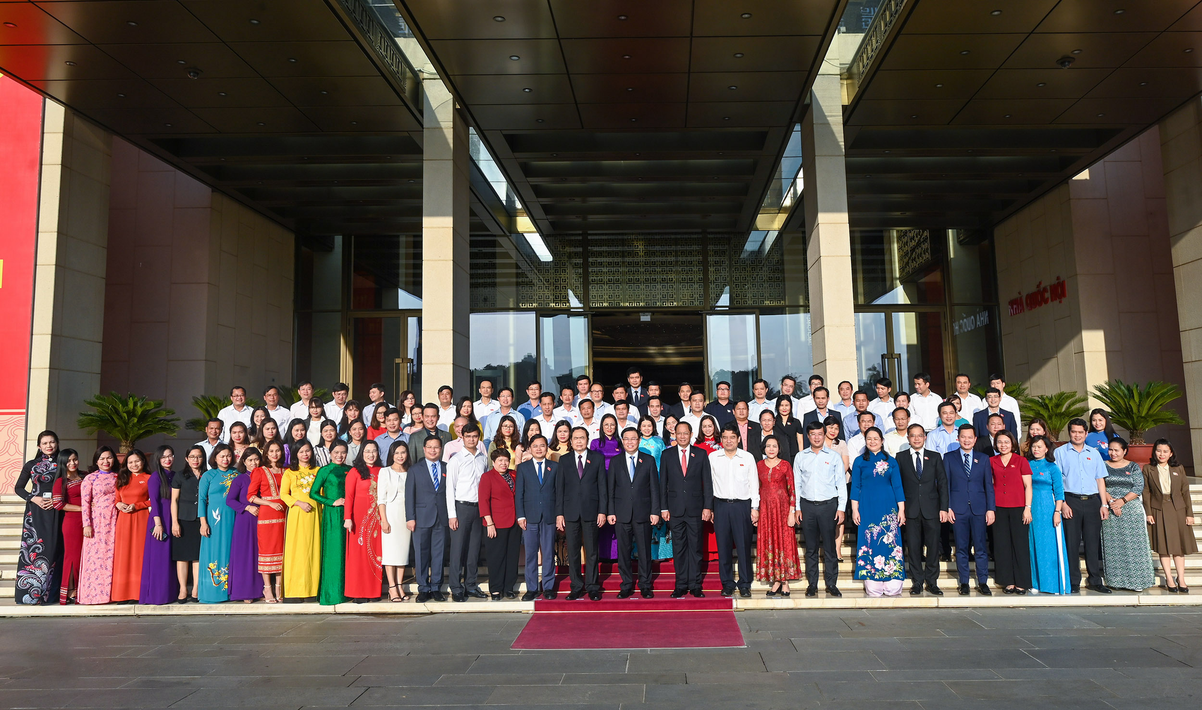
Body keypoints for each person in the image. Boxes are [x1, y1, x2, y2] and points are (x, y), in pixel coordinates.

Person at [658, 421, 713, 597]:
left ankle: (695, 584)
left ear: (691, 434)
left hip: (696, 509)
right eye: (679, 433)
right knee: (679, 548)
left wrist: (707, 507)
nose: (682, 436)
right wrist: (664, 507)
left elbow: (708, 483)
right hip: (675, 510)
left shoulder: (701, 454)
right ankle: (680, 584)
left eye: (685, 433)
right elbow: (662, 483)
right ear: (674, 434)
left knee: (695, 548)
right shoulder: (667, 455)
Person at [849, 428, 906, 597]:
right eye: (869, 439)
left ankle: (892, 580)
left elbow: (897, 486)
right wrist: (854, 509)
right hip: (866, 507)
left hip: (888, 507)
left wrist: (901, 509)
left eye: (876, 438)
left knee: (890, 542)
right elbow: (856, 487)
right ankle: (872, 580)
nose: (872, 441)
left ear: (882, 440)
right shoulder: (859, 461)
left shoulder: (891, 461)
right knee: (870, 540)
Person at [795, 422, 846, 597]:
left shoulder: (833, 456)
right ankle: (812, 584)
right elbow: (797, 484)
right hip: (808, 506)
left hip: (828, 506)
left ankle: (832, 584)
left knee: (830, 548)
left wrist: (841, 508)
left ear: (824, 435)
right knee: (811, 548)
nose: (816, 437)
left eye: (819, 434)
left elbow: (841, 483)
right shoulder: (801, 457)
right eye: (813, 434)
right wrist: (797, 508)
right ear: (808, 436)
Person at [1059, 418, 1110, 593]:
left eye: (1081, 432)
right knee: (1072, 543)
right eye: (1074, 432)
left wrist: (1104, 504)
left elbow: (1100, 479)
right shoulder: (1060, 452)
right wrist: (1063, 504)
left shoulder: (1094, 453)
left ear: (1086, 433)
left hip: (1092, 502)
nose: (1077, 435)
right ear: (1069, 432)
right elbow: (1057, 481)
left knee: (1092, 542)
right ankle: (1073, 581)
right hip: (1070, 500)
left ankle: (1095, 579)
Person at [557, 426, 609, 600]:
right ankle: (576, 586)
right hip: (570, 512)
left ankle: (593, 586)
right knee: (572, 551)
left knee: (592, 551)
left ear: (587, 439)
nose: (579, 441)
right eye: (576, 438)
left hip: (592, 512)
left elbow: (603, 487)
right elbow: (560, 489)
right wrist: (559, 514)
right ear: (571, 441)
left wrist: (602, 511)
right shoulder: (564, 460)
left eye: (582, 438)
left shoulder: (597, 459)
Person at [608, 428, 660, 599]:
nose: (630, 442)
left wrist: (654, 511)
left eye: (633, 439)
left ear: (639, 441)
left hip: (643, 513)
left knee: (645, 551)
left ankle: (645, 585)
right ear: (622, 441)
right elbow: (610, 489)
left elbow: (654, 488)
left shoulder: (649, 460)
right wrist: (610, 511)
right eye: (626, 439)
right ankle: (626, 585)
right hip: (621, 514)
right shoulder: (615, 462)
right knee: (623, 552)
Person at [1098, 438, 1154, 592]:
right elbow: (1100, 485)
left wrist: (1122, 501)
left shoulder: (1133, 466)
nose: (1113, 453)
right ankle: (1116, 580)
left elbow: (1138, 487)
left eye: (1116, 450)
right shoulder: (1103, 466)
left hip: (1130, 509)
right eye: (1110, 449)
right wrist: (1111, 502)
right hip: (1110, 509)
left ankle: (1138, 581)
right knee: (1113, 546)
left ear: (1124, 451)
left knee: (1134, 546)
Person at [897, 424, 948, 595]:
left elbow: (942, 483)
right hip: (910, 510)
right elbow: (898, 486)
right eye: (913, 435)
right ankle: (917, 580)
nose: (916, 438)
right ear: (908, 438)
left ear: (925, 437)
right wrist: (901, 509)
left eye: (920, 435)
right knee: (913, 546)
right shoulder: (901, 457)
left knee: (933, 546)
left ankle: (932, 581)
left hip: (932, 509)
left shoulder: (934, 457)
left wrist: (944, 507)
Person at [709, 426, 759, 598]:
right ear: (721, 439)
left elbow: (754, 484)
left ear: (739, 439)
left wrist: (755, 508)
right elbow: (709, 485)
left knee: (744, 546)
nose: (728, 440)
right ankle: (727, 583)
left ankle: (745, 583)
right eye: (725, 437)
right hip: (721, 505)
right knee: (723, 547)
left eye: (732, 437)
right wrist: (710, 507)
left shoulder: (747, 457)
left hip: (742, 506)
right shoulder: (713, 457)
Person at [944, 425, 994, 596]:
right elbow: (946, 485)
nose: (966, 440)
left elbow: (988, 485)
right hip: (958, 509)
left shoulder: (984, 458)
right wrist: (948, 506)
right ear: (958, 438)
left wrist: (990, 509)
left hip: (979, 509)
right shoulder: (949, 458)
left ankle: (983, 581)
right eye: (963, 437)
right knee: (961, 548)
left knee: (980, 547)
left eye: (970, 437)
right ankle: (964, 581)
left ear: (975, 439)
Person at [1144, 439, 1196, 593]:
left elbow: (1185, 491)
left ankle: (1181, 578)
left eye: (1165, 451)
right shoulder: (1148, 469)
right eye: (1159, 450)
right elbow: (1146, 492)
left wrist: (1189, 514)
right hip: (1158, 509)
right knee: (1164, 547)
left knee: (1179, 547)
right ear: (1154, 452)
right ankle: (1168, 578)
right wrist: (1148, 512)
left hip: (1177, 509)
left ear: (1171, 453)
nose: (1162, 454)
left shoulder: (1178, 468)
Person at [14, 430, 60, 604]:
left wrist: (56, 501)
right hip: (35, 513)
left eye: (52, 442)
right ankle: (29, 596)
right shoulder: (31, 465)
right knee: (33, 551)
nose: (49, 446)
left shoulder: (62, 463)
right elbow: (19, 488)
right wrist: (34, 498)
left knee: (52, 550)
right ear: (39, 446)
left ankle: (50, 595)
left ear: (57, 443)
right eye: (45, 443)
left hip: (56, 511)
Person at [406, 435, 449, 603]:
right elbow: (409, 495)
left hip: (442, 517)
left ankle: (436, 587)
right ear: (424, 449)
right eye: (430, 447)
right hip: (421, 517)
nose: (433, 450)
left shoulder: (447, 467)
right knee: (422, 553)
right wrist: (410, 517)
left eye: (436, 447)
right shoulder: (415, 469)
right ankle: (423, 588)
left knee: (438, 554)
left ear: (441, 449)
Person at [515, 435, 559, 600]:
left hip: (549, 516)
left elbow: (559, 493)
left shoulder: (554, 467)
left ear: (547, 448)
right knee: (531, 554)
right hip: (530, 517)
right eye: (535, 446)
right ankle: (532, 588)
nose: (539, 449)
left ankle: (548, 587)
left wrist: (558, 515)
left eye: (542, 446)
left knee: (548, 553)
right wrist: (520, 516)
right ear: (530, 449)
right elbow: (519, 494)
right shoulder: (524, 468)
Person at [446, 428, 488, 602]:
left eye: (475, 436)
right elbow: (450, 488)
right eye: (468, 436)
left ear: (479, 438)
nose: (471, 439)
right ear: (461, 437)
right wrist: (452, 515)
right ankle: (456, 587)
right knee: (457, 550)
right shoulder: (455, 460)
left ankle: (471, 585)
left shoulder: (482, 458)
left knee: (473, 550)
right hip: (461, 507)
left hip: (478, 508)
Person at [1026, 435, 1071, 594]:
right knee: (1034, 545)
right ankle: (1036, 583)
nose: (1036, 449)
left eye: (1039, 446)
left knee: (1049, 546)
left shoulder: (1052, 467)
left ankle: (1053, 584)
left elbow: (1059, 492)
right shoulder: (1027, 465)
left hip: (1048, 508)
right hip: (1032, 509)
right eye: (1034, 446)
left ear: (1046, 448)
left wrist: (1057, 511)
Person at [989, 431, 1033, 595]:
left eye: (1006, 442)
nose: (1003, 445)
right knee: (1002, 545)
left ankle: (1021, 582)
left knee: (1020, 545)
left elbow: (1028, 486)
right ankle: (1007, 581)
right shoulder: (991, 461)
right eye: (1000, 442)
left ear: (1012, 443)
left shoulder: (1021, 461)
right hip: (999, 508)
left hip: (1018, 507)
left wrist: (1027, 508)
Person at [756, 435, 799, 596]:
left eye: (774, 446)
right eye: (768, 446)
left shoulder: (785, 465)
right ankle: (775, 580)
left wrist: (792, 511)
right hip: (766, 510)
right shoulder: (759, 465)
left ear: (779, 448)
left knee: (784, 542)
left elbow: (792, 489)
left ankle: (785, 581)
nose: (771, 449)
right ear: (764, 448)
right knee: (770, 543)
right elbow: (756, 488)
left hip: (783, 509)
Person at [310, 440, 350, 605]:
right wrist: (331, 502)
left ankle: (349, 591)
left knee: (348, 553)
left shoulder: (350, 470)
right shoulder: (324, 470)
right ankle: (332, 594)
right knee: (334, 553)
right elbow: (313, 493)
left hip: (349, 514)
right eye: (336, 452)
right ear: (330, 453)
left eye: (343, 452)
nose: (339, 456)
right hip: (333, 515)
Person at [280, 440, 322, 601]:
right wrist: (298, 503)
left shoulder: (319, 471)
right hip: (297, 516)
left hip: (314, 516)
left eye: (307, 451)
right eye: (301, 452)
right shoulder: (290, 473)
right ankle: (294, 591)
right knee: (296, 552)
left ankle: (313, 590)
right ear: (296, 455)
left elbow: (323, 493)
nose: (305, 454)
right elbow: (284, 494)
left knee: (313, 551)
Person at [247, 441, 287, 603]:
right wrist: (270, 503)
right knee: (267, 551)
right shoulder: (259, 471)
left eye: (278, 450)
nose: (275, 454)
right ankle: (267, 587)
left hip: (284, 515)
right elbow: (251, 496)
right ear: (266, 453)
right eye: (272, 451)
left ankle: (279, 586)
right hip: (267, 515)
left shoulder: (287, 471)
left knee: (282, 550)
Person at [79, 447, 119, 605]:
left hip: (115, 520)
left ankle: (112, 594)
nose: (106, 461)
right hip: (97, 523)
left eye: (109, 458)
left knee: (113, 557)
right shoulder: (90, 479)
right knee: (96, 558)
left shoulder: (119, 476)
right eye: (102, 458)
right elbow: (85, 503)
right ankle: (94, 594)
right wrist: (86, 524)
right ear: (96, 461)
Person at [343, 441, 383, 602]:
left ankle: (373, 592)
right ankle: (358, 592)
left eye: (374, 451)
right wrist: (347, 518)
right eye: (367, 451)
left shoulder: (383, 471)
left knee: (375, 553)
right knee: (358, 555)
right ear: (362, 453)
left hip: (377, 518)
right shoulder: (355, 472)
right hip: (358, 519)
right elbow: (349, 496)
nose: (371, 454)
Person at [198, 445, 237, 603]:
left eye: (228, 456)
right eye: (222, 456)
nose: (225, 459)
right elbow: (201, 499)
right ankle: (212, 592)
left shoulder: (236, 474)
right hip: (214, 521)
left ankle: (231, 591)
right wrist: (203, 522)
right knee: (214, 552)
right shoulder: (208, 475)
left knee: (230, 551)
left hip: (233, 518)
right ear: (215, 458)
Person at [140, 445, 179, 605]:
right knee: (159, 559)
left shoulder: (176, 476)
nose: (168, 459)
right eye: (164, 457)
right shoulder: (155, 477)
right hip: (160, 519)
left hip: (174, 519)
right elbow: (154, 502)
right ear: (158, 459)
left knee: (171, 559)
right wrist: (158, 523)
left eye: (170, 456)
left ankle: (171, 594)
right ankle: (157, 595)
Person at [111, 449, 151, 603]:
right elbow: (116, 499)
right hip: (124, 521)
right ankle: (121, 594)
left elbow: (155, 500)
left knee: (139, 555)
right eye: (130, 462)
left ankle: (138, 592)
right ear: (126, 464)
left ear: (143, 462)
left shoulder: (149, 478)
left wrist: (138, 505)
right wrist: (119, 504)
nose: (134, 464)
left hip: (141, 519)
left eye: (137, 461)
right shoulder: (121, 478)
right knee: (123, 555)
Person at [480, 449, 520, 600]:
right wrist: (489, 523)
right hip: (496, 523)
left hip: (514, 522)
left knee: (512, 556)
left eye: (506, 460)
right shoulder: (487, 477)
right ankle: (496, 589)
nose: (503, 463)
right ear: (494, 462)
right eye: (500, 461)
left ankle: (509, 587)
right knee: (496, 557)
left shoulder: (514, 474)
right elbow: (483, 501)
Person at [225, 447, 263, 603]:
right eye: (250, 460)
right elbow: (230, 500)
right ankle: (245, 592)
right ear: (244, 462)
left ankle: (260, 589)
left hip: (263, 520)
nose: (254, 463)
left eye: (256, 459)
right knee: (245, 556)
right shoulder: (240, 479)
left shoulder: (265, 476)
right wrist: (247, 507)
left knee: (260, 554)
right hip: (245, 520)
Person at [377, 441, 412, 602]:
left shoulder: (411, 472)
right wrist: (384, 520)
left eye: (403, 452)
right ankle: (392, 587)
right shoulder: (385, 472)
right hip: (390, 513)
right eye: (397, 453)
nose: (400, 456)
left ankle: (400, 585)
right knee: (390, 552)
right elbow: (381, 499)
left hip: (405, 515)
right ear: (392, 454)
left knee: (402, 552)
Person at [170, 446, 206, 602]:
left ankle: (196, 589)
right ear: (186, 459)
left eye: (198, 457)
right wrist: (175, 522)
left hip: (202, 520)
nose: (195, 460)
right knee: (182, 557)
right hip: (184, 519)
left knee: (197, 556)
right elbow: (174, 500)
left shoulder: (207, 475)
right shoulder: (180, 475)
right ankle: (183, 589)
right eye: (192, 457)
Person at [637, 417, 673, 562]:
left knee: (658, 515)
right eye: (644, 426)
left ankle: (661, 553)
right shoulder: (635, 441)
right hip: (640, 484)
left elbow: (664, 462)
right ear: (639, 427)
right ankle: (640, 552)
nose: (646, 428)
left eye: (649, 425)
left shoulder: (659, 442)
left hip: (657, 482)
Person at [52, 449, 84, 604]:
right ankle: (71, 591)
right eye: (69, 461)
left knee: (86, 556)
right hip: (72, 522)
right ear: (63, 463)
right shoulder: (61, 481)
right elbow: (58, 504)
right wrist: (82, 508)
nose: (73, 463)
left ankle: (84, 589)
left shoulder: (85, 476)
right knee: (73, 557)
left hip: (90, 521)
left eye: (75, 459)